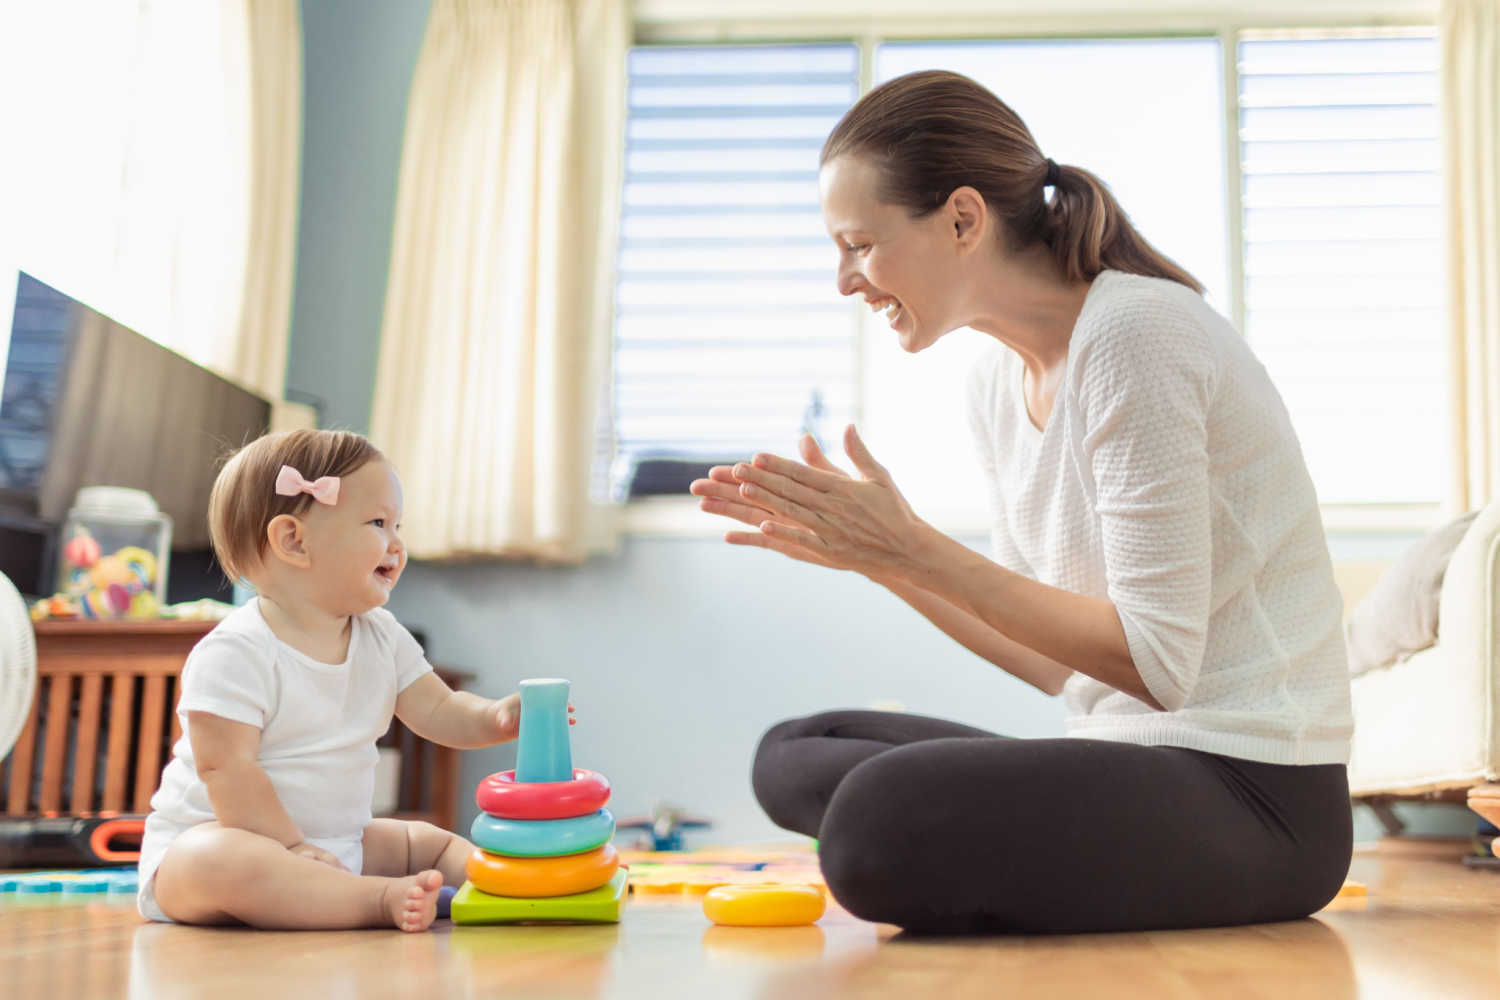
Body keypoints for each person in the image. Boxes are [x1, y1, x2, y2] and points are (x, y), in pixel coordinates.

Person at [691, 70, 1354, 934]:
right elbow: (1053, 663)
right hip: (1132, 765)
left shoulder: (1134, 335)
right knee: (793, 754)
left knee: (871, 822)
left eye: (859, 244)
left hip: (1259, 796)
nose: (846, 281)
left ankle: (961, 847)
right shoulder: (999, 385)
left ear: (964, 219)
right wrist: (880, 559)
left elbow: (1157, 667)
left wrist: (913, 548)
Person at [138, 428, 570, 932]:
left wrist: (495, 716)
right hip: (219, 845)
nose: (397, 544)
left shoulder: (381, 636)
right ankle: (373, 900)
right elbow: (225, 770)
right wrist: (292, 848)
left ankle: (524, 884)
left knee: (427, 841)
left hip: (338, 843)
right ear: (294, 540)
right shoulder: (235, 651)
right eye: (378, 522)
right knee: (222, 860)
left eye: (398, 525)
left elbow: (438, 709)